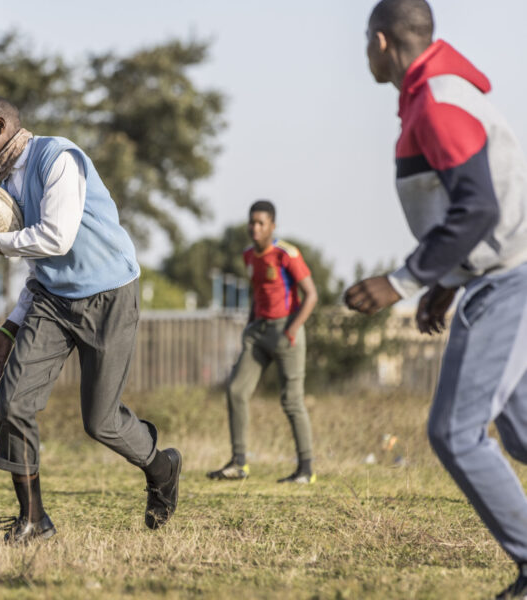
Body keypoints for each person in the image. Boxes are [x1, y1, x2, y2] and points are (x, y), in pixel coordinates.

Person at [346, 1, 527, 597]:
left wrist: (402, 282)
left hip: (513, 278)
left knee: (455, 431)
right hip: (495, 275)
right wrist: (445, 282)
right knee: (522, 436)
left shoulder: (438, 101)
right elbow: (467, 208)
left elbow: (479, 209)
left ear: (380, 42)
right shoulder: (430, 95)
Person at [0, 96, 181, 544]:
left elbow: (57, 238)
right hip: (53, 302)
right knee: (13, 404)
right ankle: (33, 520)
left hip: (110, 297)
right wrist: (9, 328)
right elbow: (41, 268)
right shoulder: (9, 186)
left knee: (100, 422)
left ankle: (162, 467)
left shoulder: (58, 157)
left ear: (0, 125)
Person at [206, 201, 318, 484]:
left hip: (286, 330)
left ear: (272, 226)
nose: (255, 228)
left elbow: (311, 295)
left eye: (261, 223)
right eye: (251, 222)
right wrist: (250, 326)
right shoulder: (248, 256)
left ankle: (306, 470)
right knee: (235, 390)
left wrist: (292, 330)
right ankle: (238, 463)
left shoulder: (286, 254)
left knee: (291, 401)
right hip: (258, 333)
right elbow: (258, 293)